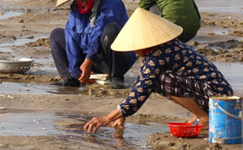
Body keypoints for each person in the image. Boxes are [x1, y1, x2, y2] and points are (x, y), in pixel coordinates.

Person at [83, 7, 234, 134]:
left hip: (217, 97)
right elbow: (141, 82)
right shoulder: (163, 47)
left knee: (165, 80)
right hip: (214, 93)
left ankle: (205, 117)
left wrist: (108, 117)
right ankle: (201, 114)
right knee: (157, 80)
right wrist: (122, 114)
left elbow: (141, 92)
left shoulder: (158, 56)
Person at [49, 0, 136, 90]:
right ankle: (69, 78)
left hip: (111, 58)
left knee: (111, 30)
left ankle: (116, 77)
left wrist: (89, 60)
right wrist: (75, 69)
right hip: (87, 61)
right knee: (56, 35)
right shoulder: (76, 7)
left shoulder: (111, 2)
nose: (76, 0)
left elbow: (99, 31)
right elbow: (71, 36)